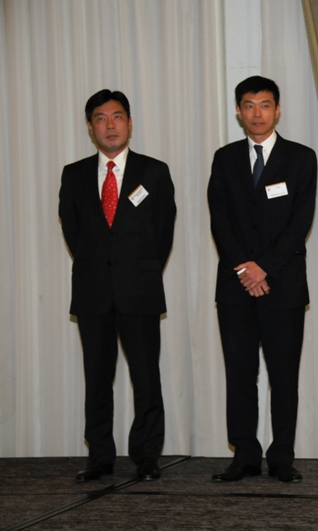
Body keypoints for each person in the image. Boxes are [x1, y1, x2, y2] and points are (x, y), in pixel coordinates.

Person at [59, 90, 176, 482]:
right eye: (101, 118)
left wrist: (138, 271)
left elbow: (163, 232)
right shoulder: (73, 174)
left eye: (117, 117)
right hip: (92, 292)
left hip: (140, 292)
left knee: (146, 377)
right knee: (97, 379)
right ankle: (100, 457)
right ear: (90, 127)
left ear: (130, 123)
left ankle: (147, 455)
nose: (110, 125)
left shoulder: (154, 172)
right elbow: (74, 232)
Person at [208, 76, 317, 483]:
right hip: (235, 287)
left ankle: (282, 456)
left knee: (283, 376)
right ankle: (245, 455)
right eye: (249, 106)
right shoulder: (224, 158)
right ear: (238, 112)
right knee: (240, 374)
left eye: (265, 105)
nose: (257, 113)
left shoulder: (301, 158)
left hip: (283, 286)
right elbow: (219, 219)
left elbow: (299, 223)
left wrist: (263, 268)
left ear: (278, 110)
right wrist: (244, 268)